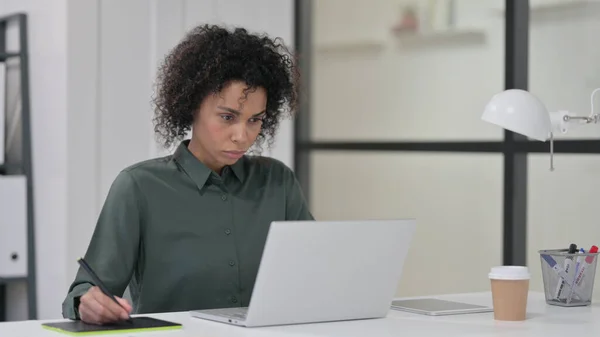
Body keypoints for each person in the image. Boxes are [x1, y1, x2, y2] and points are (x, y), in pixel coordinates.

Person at [61, 24, 313, 325]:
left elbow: (316, 269)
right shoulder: (139, 187)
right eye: (227, 117)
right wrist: (86, 303)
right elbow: (83, 292)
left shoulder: (278, 182)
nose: (242, 136)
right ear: (192, 106)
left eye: (255, 120)